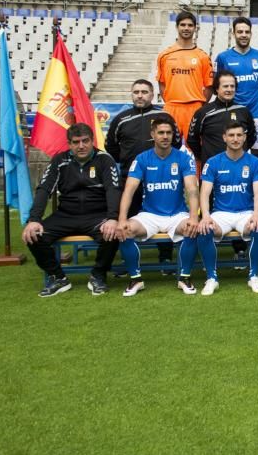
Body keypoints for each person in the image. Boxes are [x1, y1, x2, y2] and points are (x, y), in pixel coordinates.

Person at [22, 123, 123, 297]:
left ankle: (98, 275)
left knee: (113, 233)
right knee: (33, 235)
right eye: (76, 142)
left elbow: (113, 190)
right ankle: (58, 277)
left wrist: (113, 218)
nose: (81, 146)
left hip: (96, 215)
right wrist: (34, 219)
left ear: (92, 141)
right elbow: (44, 189)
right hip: (66, 215)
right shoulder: (59, 160)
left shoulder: (104, 160)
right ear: (69, 144)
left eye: (85, 141)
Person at [116, 114, 200, 296]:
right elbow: (129, 190)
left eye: (169, 133)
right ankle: (135, 279)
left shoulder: (183, 158)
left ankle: (184, 277)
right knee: (125, 230)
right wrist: (122, 219)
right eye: (161, 132)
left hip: (176, 215)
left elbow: (192, 189)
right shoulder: (142, 158)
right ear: (153, 134)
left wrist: (194, 217)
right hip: (149, 215)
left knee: (193, 228)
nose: (165, 136)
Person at [105, 79, 182, 270]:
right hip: (130, 177)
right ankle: (128, 260)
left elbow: (176, 142)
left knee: (163, 216)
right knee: (129, 218)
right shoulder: (121, 119)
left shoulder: (163, 116)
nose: (140, 95)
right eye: (136, 92)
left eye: (144, 92)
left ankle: (164, 257)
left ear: (152, 95)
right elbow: (111, 147)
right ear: (131, 94)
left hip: (161, 177)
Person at [194, 123, 258, 295]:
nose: (235, 139)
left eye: (239, 135)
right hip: (221, 214)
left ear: (244, 137)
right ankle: (212, 278)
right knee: (205, 229)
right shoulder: (213, 162)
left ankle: (253, 275)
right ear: (224, 137)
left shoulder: (254, 162)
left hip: (245, 213)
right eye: (231, 135)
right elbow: (204, 193)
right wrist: (205, 216)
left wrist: (256, 215)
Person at [214, 16, 258, 149]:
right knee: (231, 150)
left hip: (256, 114)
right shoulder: (223, 57)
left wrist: (255, 100)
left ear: (251, 33)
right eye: (240, 32)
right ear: (233, 33)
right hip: (232, 112)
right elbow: (217, 86)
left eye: (247, 32)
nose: (244, 35)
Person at [157, 11, 213, 140]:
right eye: (183, 25)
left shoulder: (203, 56)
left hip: (195, 107)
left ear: (195, 28)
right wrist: (171, 103)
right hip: (171, 107)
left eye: (190, 25)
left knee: (196, 148)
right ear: (177, 27)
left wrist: (200, 108)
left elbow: (209, 86)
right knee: (168, 145)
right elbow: (162, 83)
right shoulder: (164, 55)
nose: (186, 28)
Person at [187, 70, 257, 168]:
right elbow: (192, 140)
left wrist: (238, 152)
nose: (229, 89)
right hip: (211, 170)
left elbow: (251, 137)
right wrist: (205, 157)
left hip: (239, 167)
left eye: (232, 86)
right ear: (216, 88)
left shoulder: (244, 111)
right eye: (225, 86)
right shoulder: (203, 112)